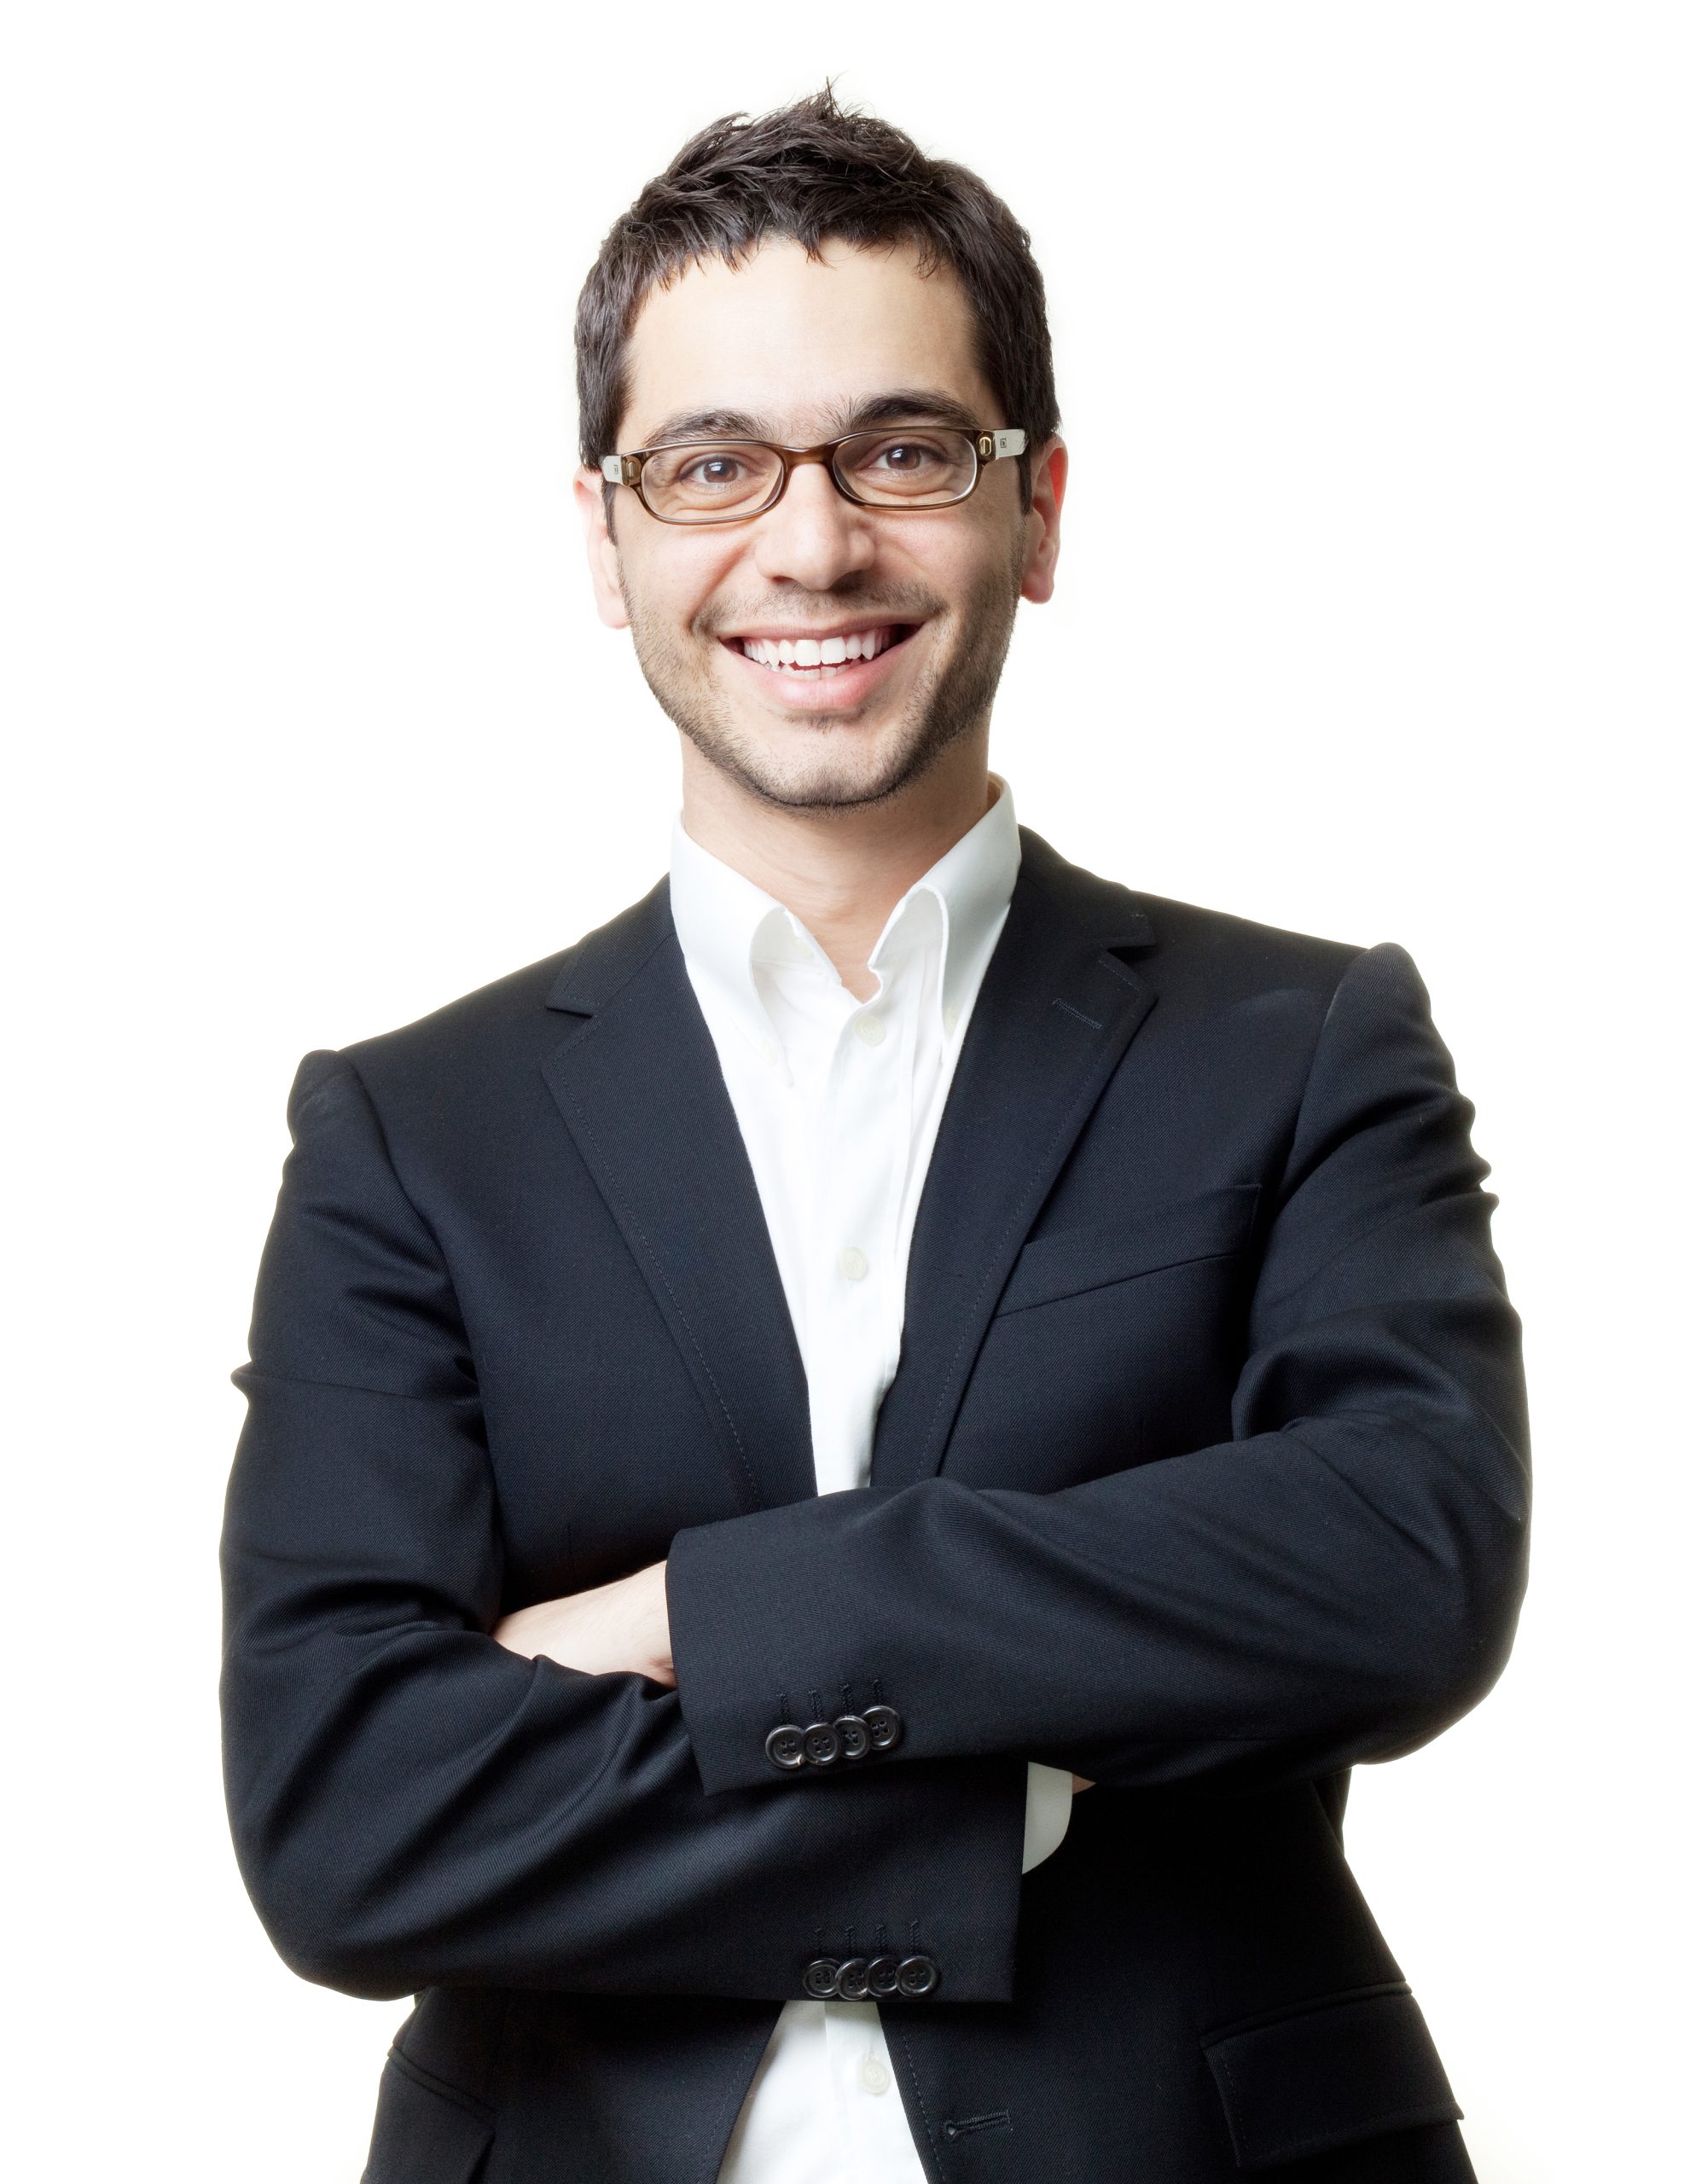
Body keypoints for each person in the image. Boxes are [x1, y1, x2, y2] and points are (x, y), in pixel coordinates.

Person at [219, 87, 1530, 2184]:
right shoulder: (411, 1132)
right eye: (712, 463)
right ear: (607, 532)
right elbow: (348, 1814)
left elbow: (1398, 1565)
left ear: (1040, 507)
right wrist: (1000, 1792)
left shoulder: (1297, 1042)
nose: (809, 541)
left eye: (902, 450)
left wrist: (706, 1615)